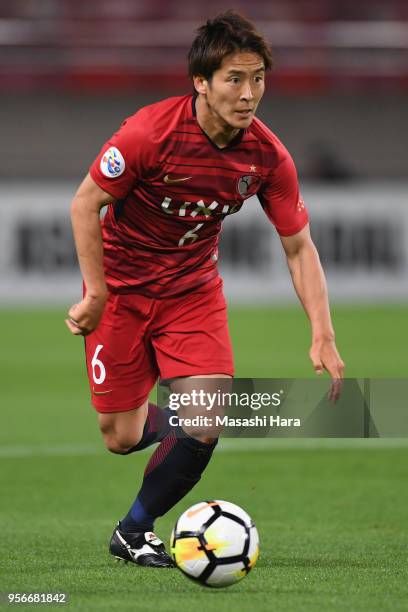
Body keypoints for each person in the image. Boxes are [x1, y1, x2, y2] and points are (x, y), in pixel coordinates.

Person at [66, 10, 344, 568]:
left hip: (192, 292)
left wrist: (323, 332)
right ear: (201, 81)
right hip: (121, 293)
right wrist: (95, 293)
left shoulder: (266, 156)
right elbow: (85, 202)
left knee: (207, 420)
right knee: (120, 436)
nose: (249, 94)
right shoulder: (150, 132)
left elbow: (298, 246)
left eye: (258, 78)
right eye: (234, 79)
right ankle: (193, 415)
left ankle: (134, 530)